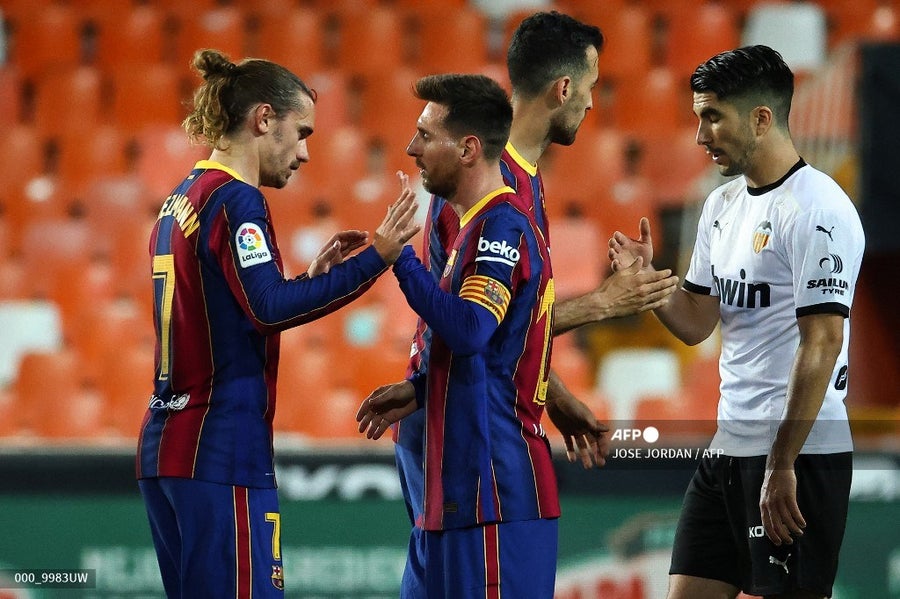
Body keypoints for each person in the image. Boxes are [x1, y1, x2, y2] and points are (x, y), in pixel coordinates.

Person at [356, 12, 678, 596]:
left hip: (454, 423)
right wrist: (603, 304)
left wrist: (555, 393)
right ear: (563, 88)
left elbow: (502, 320)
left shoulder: (513, 181)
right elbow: (479, 327)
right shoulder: (481, 186)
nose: (592, 102)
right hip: (468, 441)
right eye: (591, 86)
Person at [135, 49, 420, 598]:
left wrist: (309, 279)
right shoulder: (237, 200)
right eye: (302, 132)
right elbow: (268, 308)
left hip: (166, 448)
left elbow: (233, 308)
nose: (306, 152)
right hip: (220, 449)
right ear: (264, 119)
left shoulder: (181, 198)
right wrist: (378, 256)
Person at [608, 45, 864, 599]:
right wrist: (650, 285)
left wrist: (782, 462)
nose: (700, 135)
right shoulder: (721, 205)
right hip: (729, 446)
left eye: (713, 117)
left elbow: (823, 343)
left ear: (761, 118)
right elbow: (698, 322)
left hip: (799, 454)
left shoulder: (819, 210)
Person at [389, 72, 557, 597]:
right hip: (456, 490)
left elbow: (471, 329)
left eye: (425, 135)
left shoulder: (501, 226)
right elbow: (482, 353)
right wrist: (419, 390)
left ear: (467, 149)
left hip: (495, 489)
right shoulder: (469, 229)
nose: (411, 148)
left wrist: (400, 260)